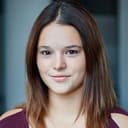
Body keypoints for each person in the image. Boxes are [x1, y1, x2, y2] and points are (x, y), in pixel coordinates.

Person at [0, 0, 128, 128]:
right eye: (46, 52)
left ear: (92, 55)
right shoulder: (8, 123)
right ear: (34, 59)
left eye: (71, 52)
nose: (58, 65)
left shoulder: (121, 124)